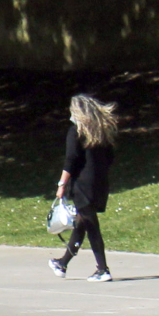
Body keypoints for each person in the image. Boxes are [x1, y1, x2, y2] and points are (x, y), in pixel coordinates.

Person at [50, 93, 117, 282]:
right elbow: (110, 158)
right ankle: (62, 263)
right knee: (81, 224)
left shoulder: (76, 131)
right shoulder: (102, 133)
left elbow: (71, 159)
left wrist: (62, 184)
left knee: (91, 226)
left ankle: (103, 269)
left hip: (82, 184)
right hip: (99, 183)